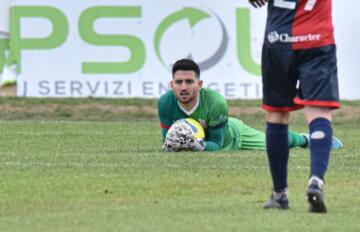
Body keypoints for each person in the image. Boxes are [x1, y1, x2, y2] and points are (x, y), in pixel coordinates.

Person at [248, 0, 341, 213]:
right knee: (319, 113)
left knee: (277, 115)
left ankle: (280, 194)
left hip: (278, 40)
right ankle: (316, 180)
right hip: (317, 40)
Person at [158, 59, 342, 153]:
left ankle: (307, 140)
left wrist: (199, 146)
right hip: (202, 142)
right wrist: (173, 144)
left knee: (276, 143)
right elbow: (167, 141)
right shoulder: (165, 103)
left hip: (234, 135)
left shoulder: (216, 102)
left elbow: (217, 143)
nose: (183, 87)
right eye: (179, 82)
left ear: (200, 84)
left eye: (189, 81)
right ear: (171, 84)